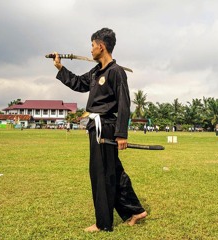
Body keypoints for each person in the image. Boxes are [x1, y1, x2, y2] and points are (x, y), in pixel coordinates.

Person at [52, 28, 147, 232]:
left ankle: (103, 223)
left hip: (107, 128)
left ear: (101, 46)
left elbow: (124, 103)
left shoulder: (116, 72)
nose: (91, 49)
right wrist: (61, 68)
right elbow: (78, 83)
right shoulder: (96, 72)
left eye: (93, 45)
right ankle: (135, 211)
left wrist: (122, 134)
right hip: (96, 127)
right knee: (113, 171)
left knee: (102, 174)